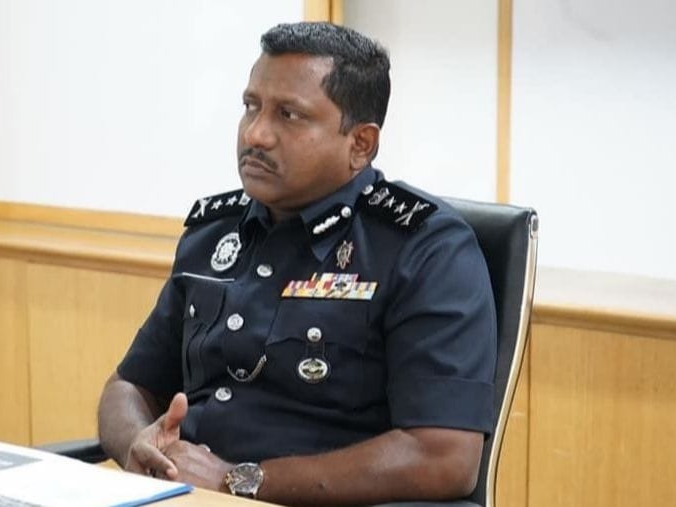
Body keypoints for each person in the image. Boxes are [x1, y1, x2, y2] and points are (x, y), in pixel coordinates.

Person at [98, 21, 495, 505]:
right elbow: (129, 385)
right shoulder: (213, 233)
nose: (256, 134)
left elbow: (444, 458)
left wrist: (239, 480)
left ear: (360, 144)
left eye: (289, 115)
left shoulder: (424, 248)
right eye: (251, 106)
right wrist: (137, 444)